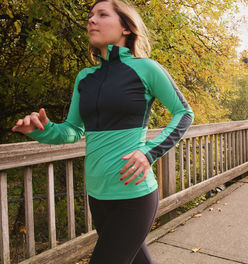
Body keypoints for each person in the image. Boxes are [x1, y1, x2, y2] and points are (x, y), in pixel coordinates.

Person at [12, 0, 194, 263]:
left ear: (126, 28)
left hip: (134, 194)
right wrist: (41, 130)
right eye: (90, 15)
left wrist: (149, 152)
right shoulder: (85, 77)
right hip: (97, 195)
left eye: (102, 14)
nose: (91, 20)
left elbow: (184, 113)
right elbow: (72, 131)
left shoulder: (146, 69)